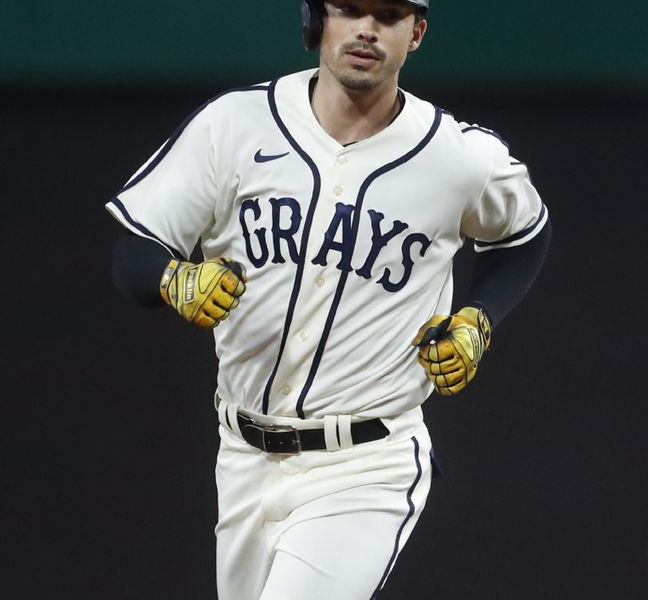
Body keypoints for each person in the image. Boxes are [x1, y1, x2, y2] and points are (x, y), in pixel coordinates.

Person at [106, 0, 551, 598]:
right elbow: (134, 252)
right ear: (316, 19)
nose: (366, 29)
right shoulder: (237, 124)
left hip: (366, 462)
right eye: (349, 9)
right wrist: (172, 280)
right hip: (240, 455)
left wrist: (480, 317)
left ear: (416, 32)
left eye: (388, 14)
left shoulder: (460, 156)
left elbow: (526, 234)